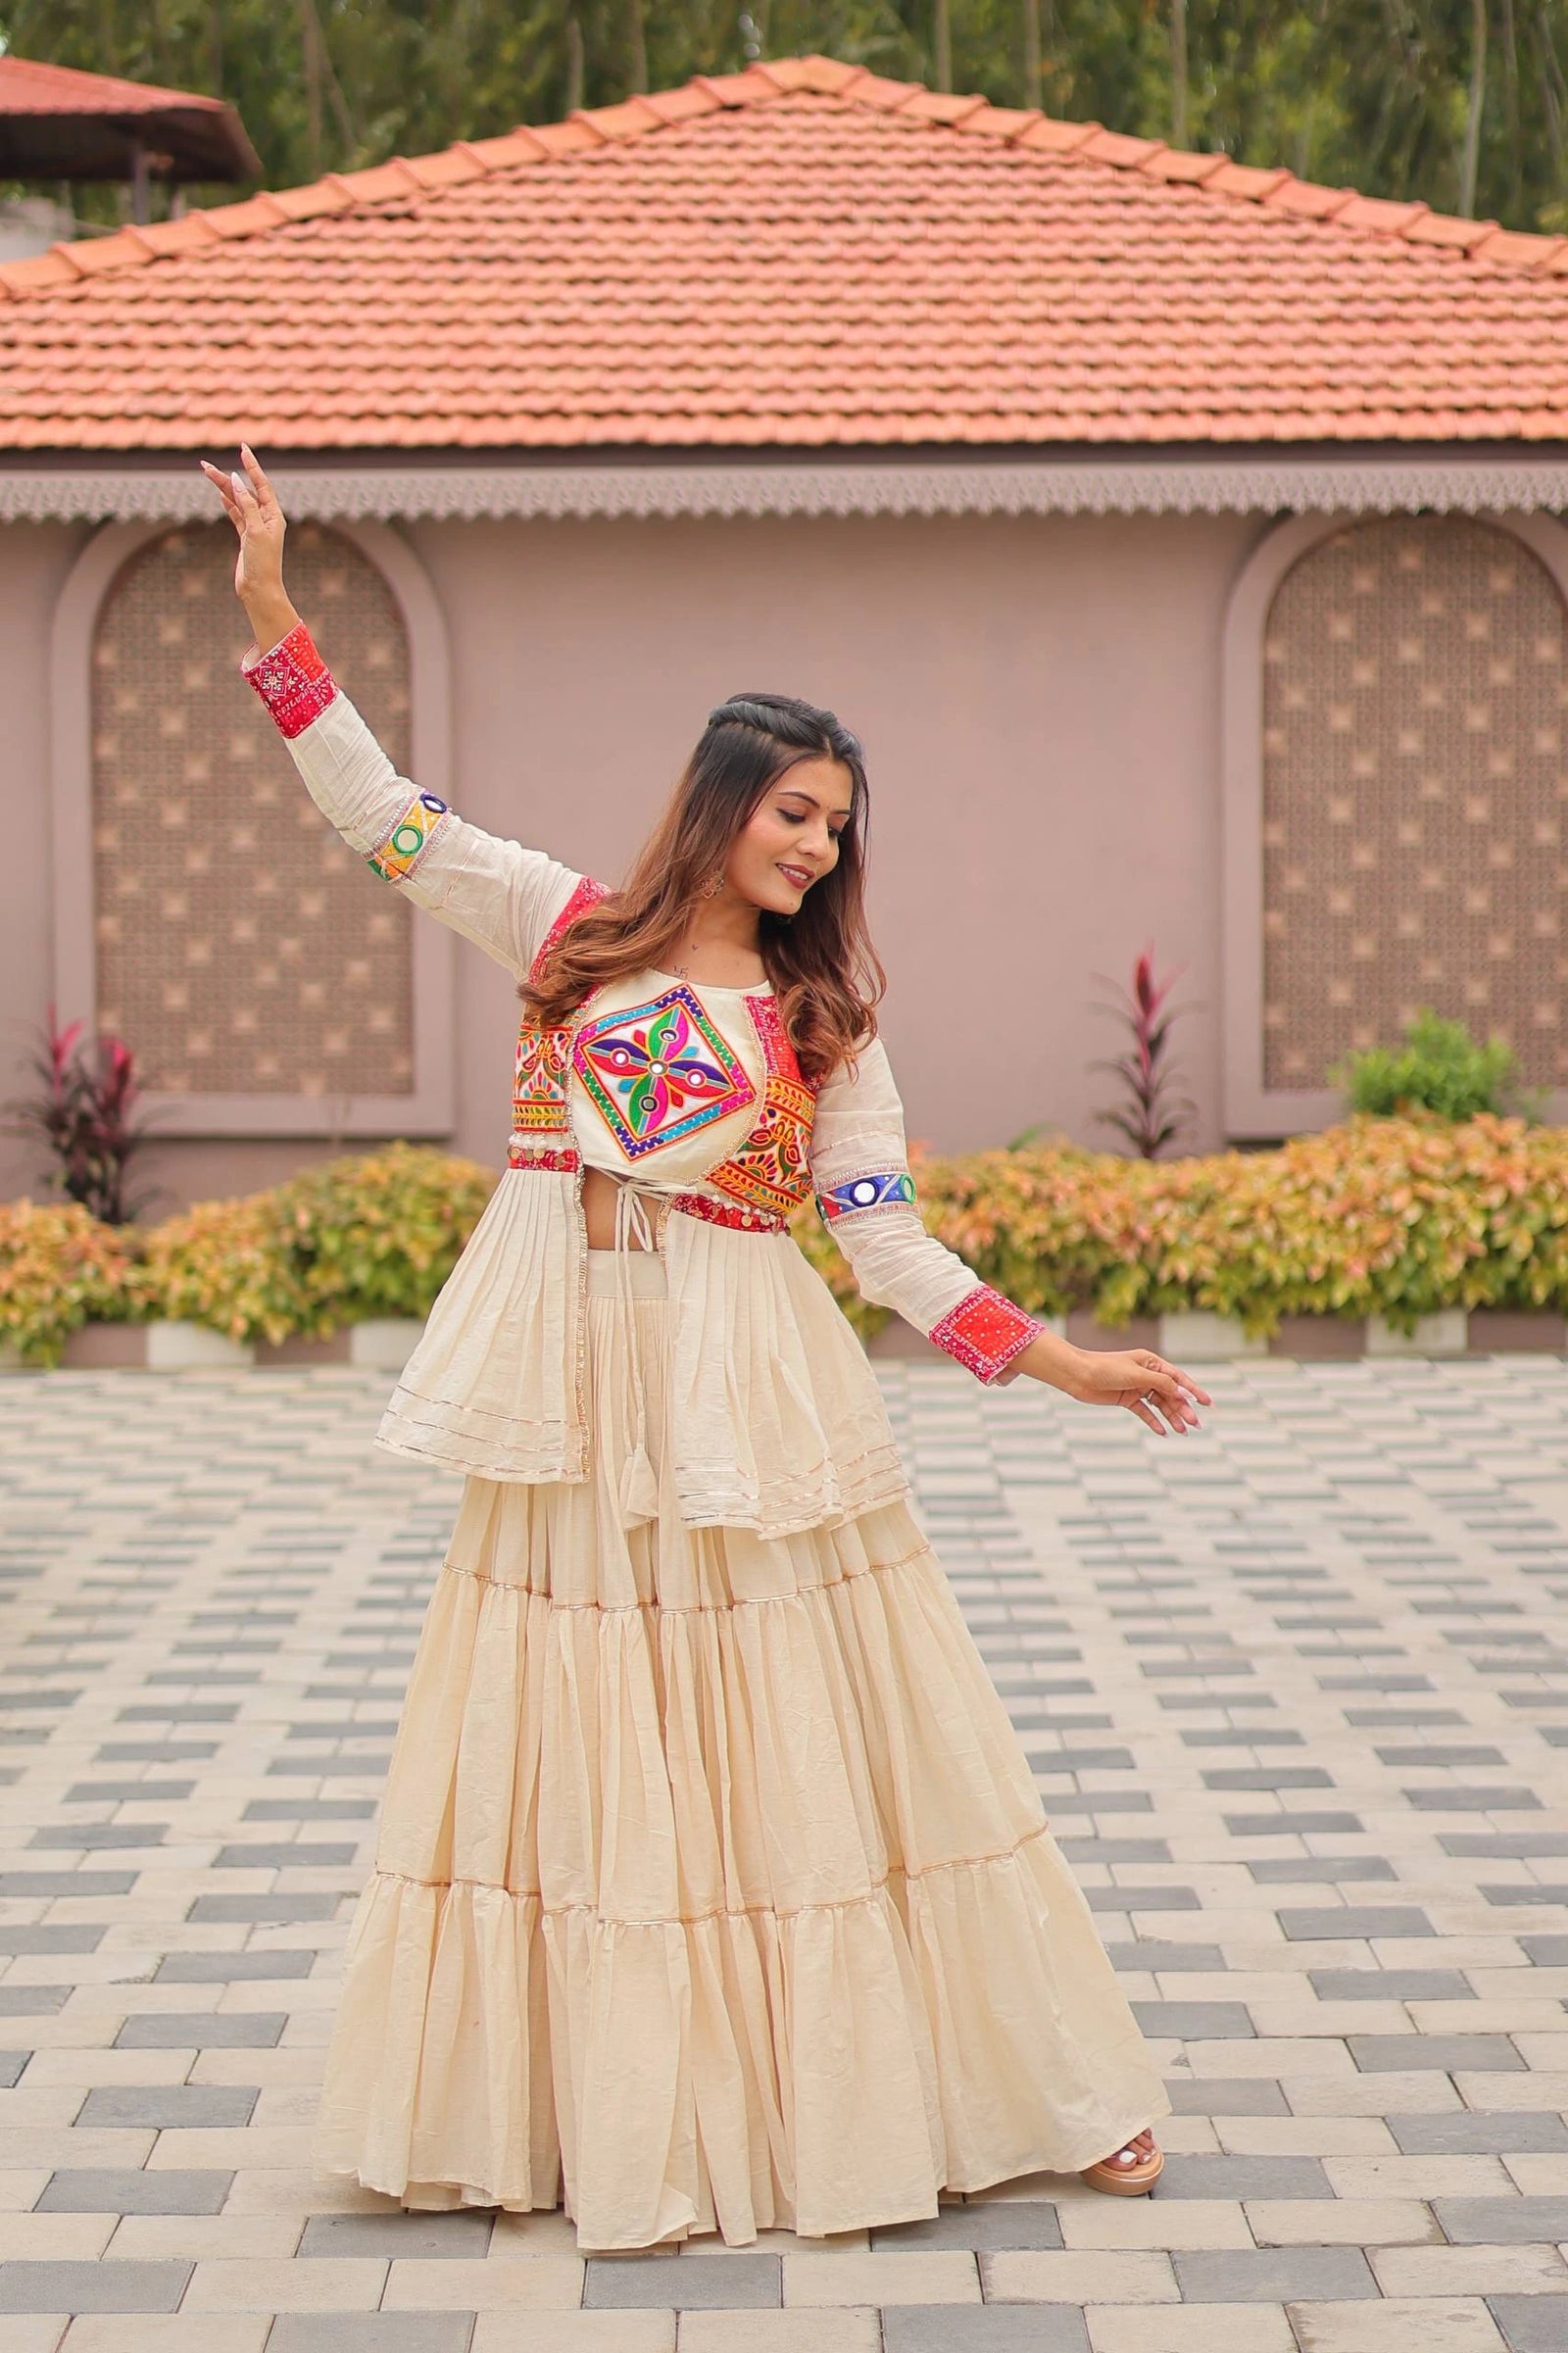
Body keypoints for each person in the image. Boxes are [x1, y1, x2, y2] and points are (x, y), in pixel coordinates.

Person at [202, 446, 1208, 2251]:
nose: (817, 843)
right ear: (726, 799)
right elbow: (380, 817)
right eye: (796, 809)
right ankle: (588, 2111)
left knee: (815, 1738)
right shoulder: (564, 928)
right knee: (585, 1745)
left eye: (839, 824)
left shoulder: (825, 1022)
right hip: (575, 1394)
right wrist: (276, 609)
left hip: (744, 1392)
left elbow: (883, 1237)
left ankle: (1008, 2088)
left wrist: (1065, 1362)